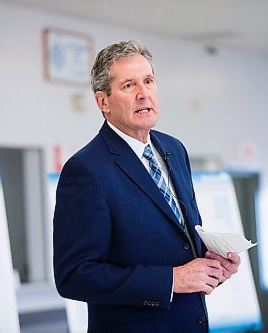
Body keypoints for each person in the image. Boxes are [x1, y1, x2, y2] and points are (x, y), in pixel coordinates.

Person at [53, 40, 241, 333]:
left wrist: (211, 263)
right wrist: (172, 281)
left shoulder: (174, 150)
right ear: (103, 102)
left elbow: (180, 239)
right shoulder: (87, 170)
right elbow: (74, 275)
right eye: (129, 85)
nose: (143, 94)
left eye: (148, 81)